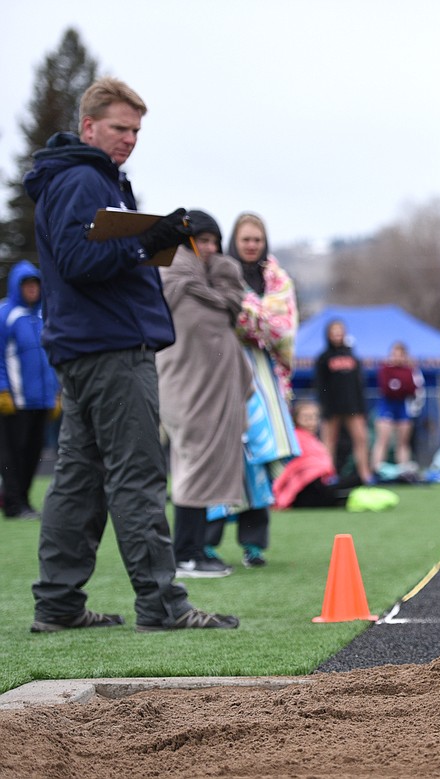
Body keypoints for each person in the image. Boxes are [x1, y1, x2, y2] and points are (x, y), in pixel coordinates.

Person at [21, 77, 237, 631]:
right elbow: (78, 261)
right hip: (112, 348)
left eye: (137, 130)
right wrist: (150, 239)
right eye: (119, 128)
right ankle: (162, 605)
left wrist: (152, 236)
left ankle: (59, 604)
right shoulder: (83, 181)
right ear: (88, 126)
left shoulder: (85, 179)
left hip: (89, 346)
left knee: (78, 479)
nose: (130, 139)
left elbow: (90, 258)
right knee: (137, 475)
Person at [156, 210, 252, 579]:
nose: (210, 249)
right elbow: (199, 331)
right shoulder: (173, 281)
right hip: (187, 390)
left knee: (198, 468)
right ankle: (186, 554)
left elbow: (224, 322)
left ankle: (194, 550)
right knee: (193, 467)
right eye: (203, 240)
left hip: (212, 392)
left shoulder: (213, 283)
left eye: (215, 241)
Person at [205, 212, 299, 570]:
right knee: (222, 457)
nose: (251, 245)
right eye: (245, 239)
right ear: (235, 241)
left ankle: (254, 544)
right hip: (225, 372)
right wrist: (255, 321)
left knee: (260, 455)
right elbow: (219, 316)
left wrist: (254, 320)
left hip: (265, 376)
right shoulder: (219, 273)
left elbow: (283, 327)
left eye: (257, 239)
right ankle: (207, 542)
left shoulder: (278, 281)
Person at [0, 261, 58, 520]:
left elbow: (52, 358)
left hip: (42, 400)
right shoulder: (5, 315)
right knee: (13, 454)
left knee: (33, 454)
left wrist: (56, 394)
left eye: (35, 284)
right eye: (27, 284)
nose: (32, 289)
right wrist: (3, 391)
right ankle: (13, 504)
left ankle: (21, 500)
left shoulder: (43, 315)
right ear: (17, 286)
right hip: (16, 401)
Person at [273, 401, 365, 509]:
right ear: (296, 419)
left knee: (356, 480)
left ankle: (338, 499)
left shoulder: (313, 440)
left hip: (318, 485)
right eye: (306, 417)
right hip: (302, 489)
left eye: (314, 417)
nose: (311, 421)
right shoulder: (295, 438)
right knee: (348, 485)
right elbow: (298, 466)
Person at [314, 319, 373, 484]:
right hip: (332, 407)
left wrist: (362, 408)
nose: (337, 335)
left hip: (353, 406)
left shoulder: (353, 357)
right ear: (328, 334)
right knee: (329, 442)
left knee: (361, 439)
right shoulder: (323, 358)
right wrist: (325, 406)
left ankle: (365, 474)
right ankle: (328, 475)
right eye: (334, 331)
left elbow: (359, 385)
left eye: (340, 331)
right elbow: (320, 385)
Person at [371, 341, 421, 476]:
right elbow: (386, 389)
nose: (397, 357)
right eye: (394, 354)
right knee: (383, 440)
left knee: (403, 442)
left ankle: (403, 472)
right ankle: (376, 471)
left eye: (400, 355)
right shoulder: (385, 369)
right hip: (386, 406)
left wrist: (399, 387)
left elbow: (412, 389)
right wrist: (399, 388)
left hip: (402, 407)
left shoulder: (409, 370)